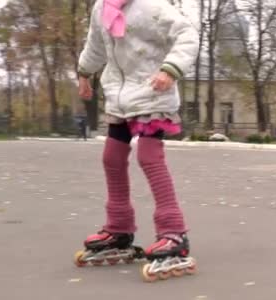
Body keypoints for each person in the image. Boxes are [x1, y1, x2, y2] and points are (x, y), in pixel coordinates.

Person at [75, 0, 197, 280]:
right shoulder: (101, 9)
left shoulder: (151, 6)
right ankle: (119, 229)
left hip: (152, 93)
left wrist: (170, 69)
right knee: (112, 159)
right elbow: (95, 46)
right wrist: (84, 73)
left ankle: (174, 233)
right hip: (120, 98)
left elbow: (186, 34)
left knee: (149, 157)